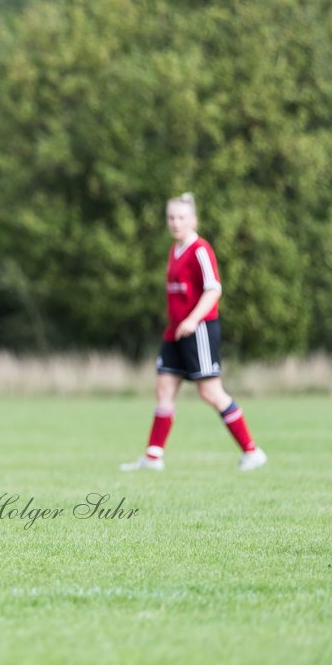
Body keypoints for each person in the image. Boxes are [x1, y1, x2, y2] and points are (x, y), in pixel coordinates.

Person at [122, 193, 266, 472]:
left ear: (193, 220)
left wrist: (192, 319)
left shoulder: (200, 249)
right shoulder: (174, 251)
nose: (175, 223)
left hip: (198, 330)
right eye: (171, 217)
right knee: (164, 388)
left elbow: (214, 289)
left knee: (210, 392)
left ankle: (252, 451)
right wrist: (178, 323)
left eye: (181, 217)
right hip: (174, 332)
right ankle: (153, 458)